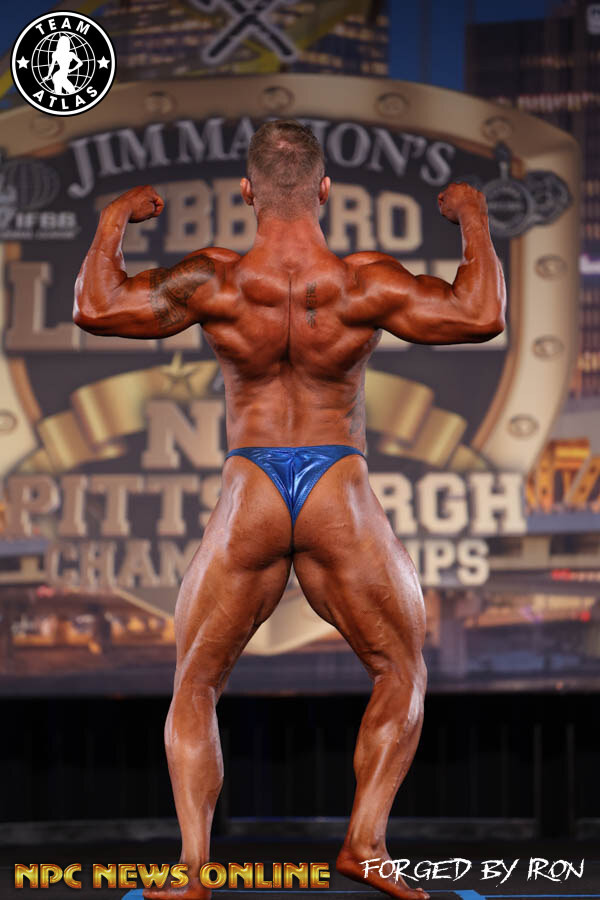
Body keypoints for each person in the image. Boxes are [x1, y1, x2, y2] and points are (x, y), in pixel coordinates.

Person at [73, 120, 505, 900]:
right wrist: (472, 216)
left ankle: (193, 869)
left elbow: (97, 307)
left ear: (248, 192)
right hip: (338, 484)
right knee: (400, 669)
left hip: (253, 489)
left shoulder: (217, 281)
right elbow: (479, 314)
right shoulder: (360, 283)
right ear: (325, 190)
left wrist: (113, 219)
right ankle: (365, 844)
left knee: (195, 684)